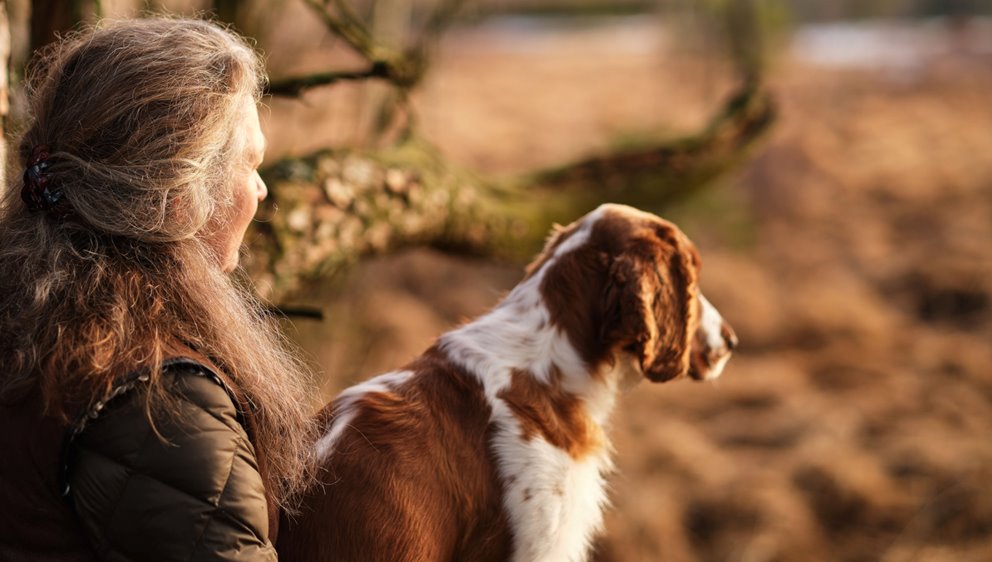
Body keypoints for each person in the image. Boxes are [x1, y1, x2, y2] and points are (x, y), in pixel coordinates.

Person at [0, 18, 317, 561]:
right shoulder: (155, 404)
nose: (262, 190)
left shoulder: (26, 308)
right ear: (182, 196)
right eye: (250, 164)